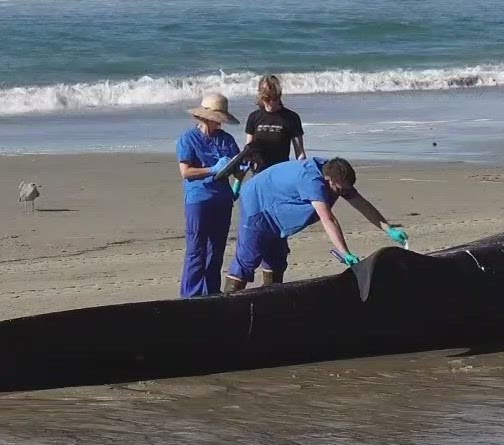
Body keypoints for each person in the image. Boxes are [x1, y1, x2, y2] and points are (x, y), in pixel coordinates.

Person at [223, 155, 406, 292]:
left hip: (280, 204)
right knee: (248, 258)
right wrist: (345, 253)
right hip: (258, 203)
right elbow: (328, 218)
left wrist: (389, 229)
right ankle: (228, 302)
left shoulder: (334, 173)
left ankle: (271, 299)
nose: (342, 193)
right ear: (329, 181)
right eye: (340, 189)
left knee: (276, 258)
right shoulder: (312, 181)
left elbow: (362, 204)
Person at [174, 92, 242, 297]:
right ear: (204, 117)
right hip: (198, 199)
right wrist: (211, 169)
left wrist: (240, 173)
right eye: (216, 120)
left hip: (222, 198)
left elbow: (236, 167)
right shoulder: (188, 140)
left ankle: (211, 291)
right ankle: (191, 294)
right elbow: (186, 172)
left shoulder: (226, 140)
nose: (219, 125)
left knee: (217, 250)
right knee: (196, 249)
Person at [242, 74, 306, 175]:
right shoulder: (254, 117)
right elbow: (248, 148)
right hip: (259, 172)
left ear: (279, 96)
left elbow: (300, 153)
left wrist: (301, 173)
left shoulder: (291, 117)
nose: (271, 103)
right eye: (267, 99)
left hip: (281, 171)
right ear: (261, 98)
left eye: (274, 99)